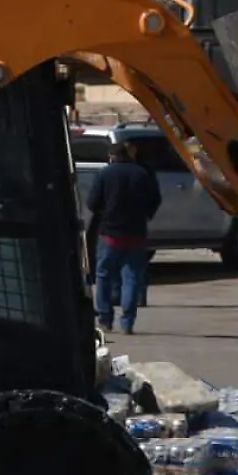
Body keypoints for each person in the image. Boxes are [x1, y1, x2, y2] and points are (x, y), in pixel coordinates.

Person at [84, 140, 162, 334]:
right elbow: (155, 199)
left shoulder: (104, 174)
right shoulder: (142, 174)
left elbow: (92, 202)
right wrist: (146, 214)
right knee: (132, 277)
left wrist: (105, 213)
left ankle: (105, 317)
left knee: (103, 275)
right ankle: (127, 322)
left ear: (112, 156)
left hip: (110, 233)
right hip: (136, 232)